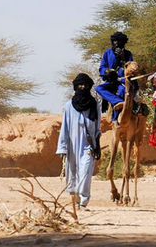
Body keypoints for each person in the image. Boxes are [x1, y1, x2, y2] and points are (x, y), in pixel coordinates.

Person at [56, 73, 102, 209]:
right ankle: (75, 198)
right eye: (80, 85)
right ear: (76, 87)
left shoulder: (95, 105)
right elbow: (65, 127)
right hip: (72, 145)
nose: (83, 87)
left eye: (85, 85)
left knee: (85, 172)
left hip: (88, 145)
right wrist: (63, 147)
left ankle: (84, 199)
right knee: (73, 172)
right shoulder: (69, 105)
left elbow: (97, 126)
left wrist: (96, 144)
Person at [95, 31, 137, 121]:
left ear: (123, 42)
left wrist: (123, 58)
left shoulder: (128, 54)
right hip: (111, 81)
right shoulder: (107, 53)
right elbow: (102, 67)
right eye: (115, 41)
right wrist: (106, 71)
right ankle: (117, 102)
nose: (116, 43)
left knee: (122, 91)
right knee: (98, 88)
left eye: (119, 41)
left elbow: (130, 68)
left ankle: (116, 118)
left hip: (123, 82)